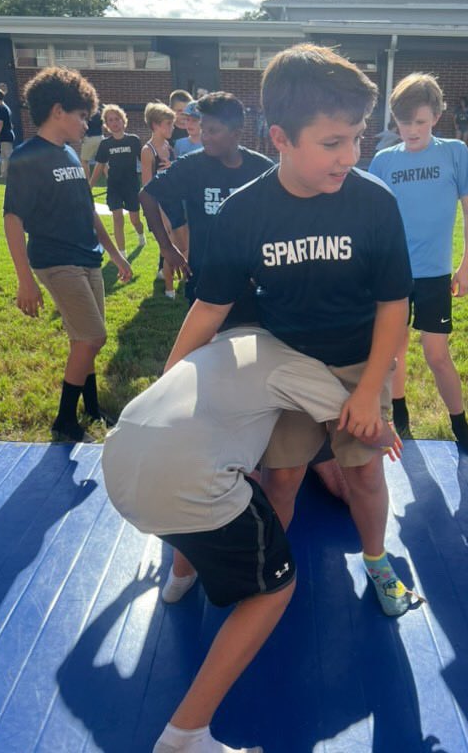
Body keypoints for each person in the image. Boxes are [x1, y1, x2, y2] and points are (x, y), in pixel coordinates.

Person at [161, 44, 415, 618]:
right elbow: (209, 309)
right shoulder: (244, 212)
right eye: (332, 142)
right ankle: (265, 572)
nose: (349, 156)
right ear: (280, 138)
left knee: (365, 475)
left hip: (358, 363)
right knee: (282, 480)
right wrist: (167, 385)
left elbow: (394, 303)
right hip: (283, 369)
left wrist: (370, 389)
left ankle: (378, 562)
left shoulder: (374, 203)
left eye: (358, 139)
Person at [102, 327, 397, 753]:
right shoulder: (294, 362)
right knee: (274, 590)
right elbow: (359, 422)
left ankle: (180, 578)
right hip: (187, 485)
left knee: (183, 493)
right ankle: (185, 736)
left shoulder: (228, 339)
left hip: (120, 470)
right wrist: (386, 430)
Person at [3, 67, 131, 443]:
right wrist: (25, 280)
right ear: (58, 110)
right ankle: (64, 421)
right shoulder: (28, 157)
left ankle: (90, 409)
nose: (87, 125)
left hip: (88, 257)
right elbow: (12, 219)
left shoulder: (71, 155)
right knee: (92, 337)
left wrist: (116, 255)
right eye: (82, 116)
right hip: (56, 260)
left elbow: (88, 211)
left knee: (84, 339)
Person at [369, 72, 468, 456]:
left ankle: (461, 427)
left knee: (437, 354)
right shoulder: (384, 161)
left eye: (420, 121)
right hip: (394, 275)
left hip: (435, 275)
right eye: (404, 122)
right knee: (393, 351)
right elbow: (372, 219)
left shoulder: (454, 152)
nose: (412, 130)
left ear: (436, 116)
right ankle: (400, 420)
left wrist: (466, 265)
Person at [140, 92, 273, 307]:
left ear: (236, 133)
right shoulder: (192, 166)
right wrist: (166, 247)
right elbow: (147, 194)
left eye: (213, 131)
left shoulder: (261, 168)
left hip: (253, 279)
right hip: (205, 279)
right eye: (203, 129)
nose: (205, 137)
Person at [140, 101, 185, 299]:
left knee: (183, 245)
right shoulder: (147, 150)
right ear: (155, 125)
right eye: (168, 124)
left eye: (172, 124)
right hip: (160, 206)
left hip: (175, 202)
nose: (172, 128)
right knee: (170, 245)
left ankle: (181, 280)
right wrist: (161, 216)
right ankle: (169, 289)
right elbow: (147, 189)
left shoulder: (169, 146)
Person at [89, 104, 146, 258]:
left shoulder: (133, 140)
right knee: (117, 218)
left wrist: (150, 180)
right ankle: (122, 254)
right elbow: (99, 166)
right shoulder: (105, 144)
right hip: (114, 186)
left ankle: (141, 235)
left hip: (131, 186)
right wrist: (89, 186)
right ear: (106, 124)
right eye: (110, 120)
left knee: (135, 220)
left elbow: (144, 161)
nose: (114, 122)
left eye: (117, 119)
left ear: (123, 120)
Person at [0, 87, 15, 178]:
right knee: (5, 156)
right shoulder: (5, 107)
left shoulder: (1, 108)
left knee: (7, 156)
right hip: (7, 135)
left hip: (6, 136)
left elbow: (0, 124)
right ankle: (4, 174)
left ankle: (12, 173)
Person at [80, 106, 103, 180]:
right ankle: (110, 180)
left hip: (89, 138)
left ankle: (87, 181)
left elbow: (83, 125)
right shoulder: (100, 112)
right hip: (100, 137)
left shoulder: (86, 113)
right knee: (104, 161)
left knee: (84, 161)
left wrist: (82, 137)